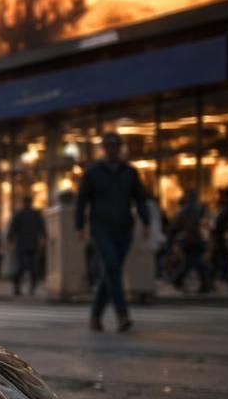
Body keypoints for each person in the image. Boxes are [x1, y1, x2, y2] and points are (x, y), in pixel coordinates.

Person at [76, 132, 150, 331]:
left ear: (120, 148)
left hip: (124, 228)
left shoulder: (129, 172)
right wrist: (79, 226)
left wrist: (147, 223)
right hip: (101, 228)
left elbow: (140, 199)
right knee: (112, 267)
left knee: (111, 271)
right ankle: (122, 314)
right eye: (109, 146)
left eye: (115, 146)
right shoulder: (93, 172)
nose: (112, 149)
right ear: (104, 149)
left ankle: (96, 315)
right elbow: (82, 201)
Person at [168, 190, 211, 294]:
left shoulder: (185, 210)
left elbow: (176, 226)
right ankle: (203, 284)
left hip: (189, 239)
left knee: (192, 262)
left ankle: (178, 280)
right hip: (195, 239)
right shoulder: (199, 209)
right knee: (195, 262)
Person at [7, 195, 47, 296]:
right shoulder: (30, 214)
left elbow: (12, 229)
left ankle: (26, 286)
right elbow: (13, 229)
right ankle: (22, 286)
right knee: (26, 267)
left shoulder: (24, 214)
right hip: (27, 244)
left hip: (26, 244)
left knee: (28, 267)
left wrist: (10, 240)